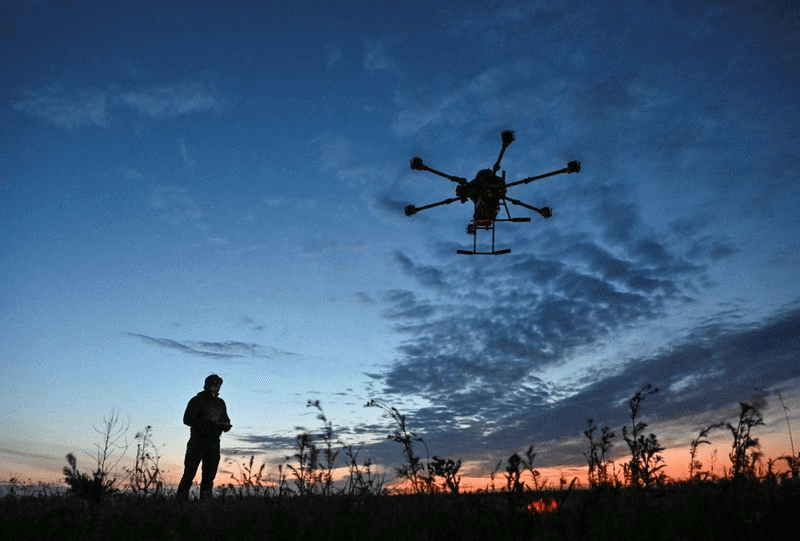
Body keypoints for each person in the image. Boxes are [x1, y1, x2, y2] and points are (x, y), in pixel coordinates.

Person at [176, 374, 232, 500]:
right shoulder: (197, 400)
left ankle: (205, 504)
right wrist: (207, 424)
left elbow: (226, 419)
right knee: (189, 474)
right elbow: (187, 419)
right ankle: (180, 503)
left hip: (213, 444)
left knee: (209, 477)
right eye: (214, 384)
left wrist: (225, 425)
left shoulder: (220, 403)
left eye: (218, 384)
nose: (216, 386)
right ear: (207, 385)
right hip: (197, 442)